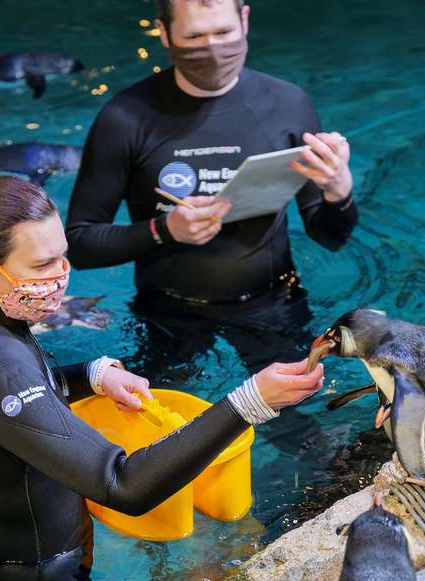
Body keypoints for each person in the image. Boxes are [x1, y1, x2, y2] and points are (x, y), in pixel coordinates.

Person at [0, 176, 325, 581]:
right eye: (43, 264)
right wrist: (249, 403)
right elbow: (123, 486)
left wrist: (92, 375)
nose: (60, 274)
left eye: (62, 255)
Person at [65, 0, 358, 438]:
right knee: (156, 431)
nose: (212, 49)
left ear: (245, 20)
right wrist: (164, 229)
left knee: (304, 430)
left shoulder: (287, 104)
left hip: (272, 301)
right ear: (164, 34)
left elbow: (330, 235)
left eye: (222, 33)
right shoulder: (124, 117)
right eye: (194, 37)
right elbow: (79, 244)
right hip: (169, 310)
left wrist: (338, 191)